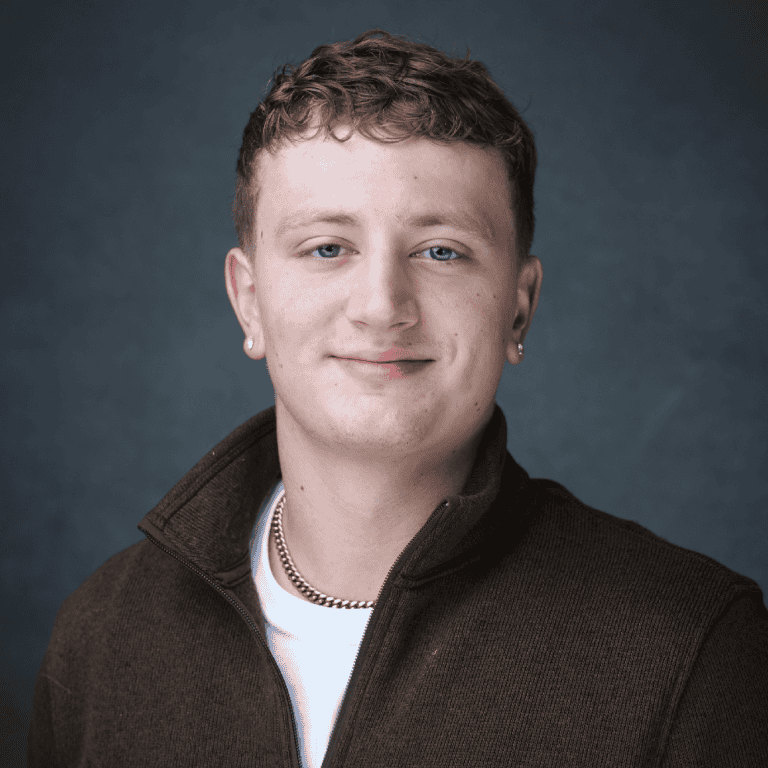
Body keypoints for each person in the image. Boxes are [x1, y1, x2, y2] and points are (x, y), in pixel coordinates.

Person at [29, 28, 768, 768]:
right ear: (249, 301)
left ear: (518, 308)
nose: (382, 306)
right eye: (327, 248)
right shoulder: (102, 635)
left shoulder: (691, 646)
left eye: (441, 251)